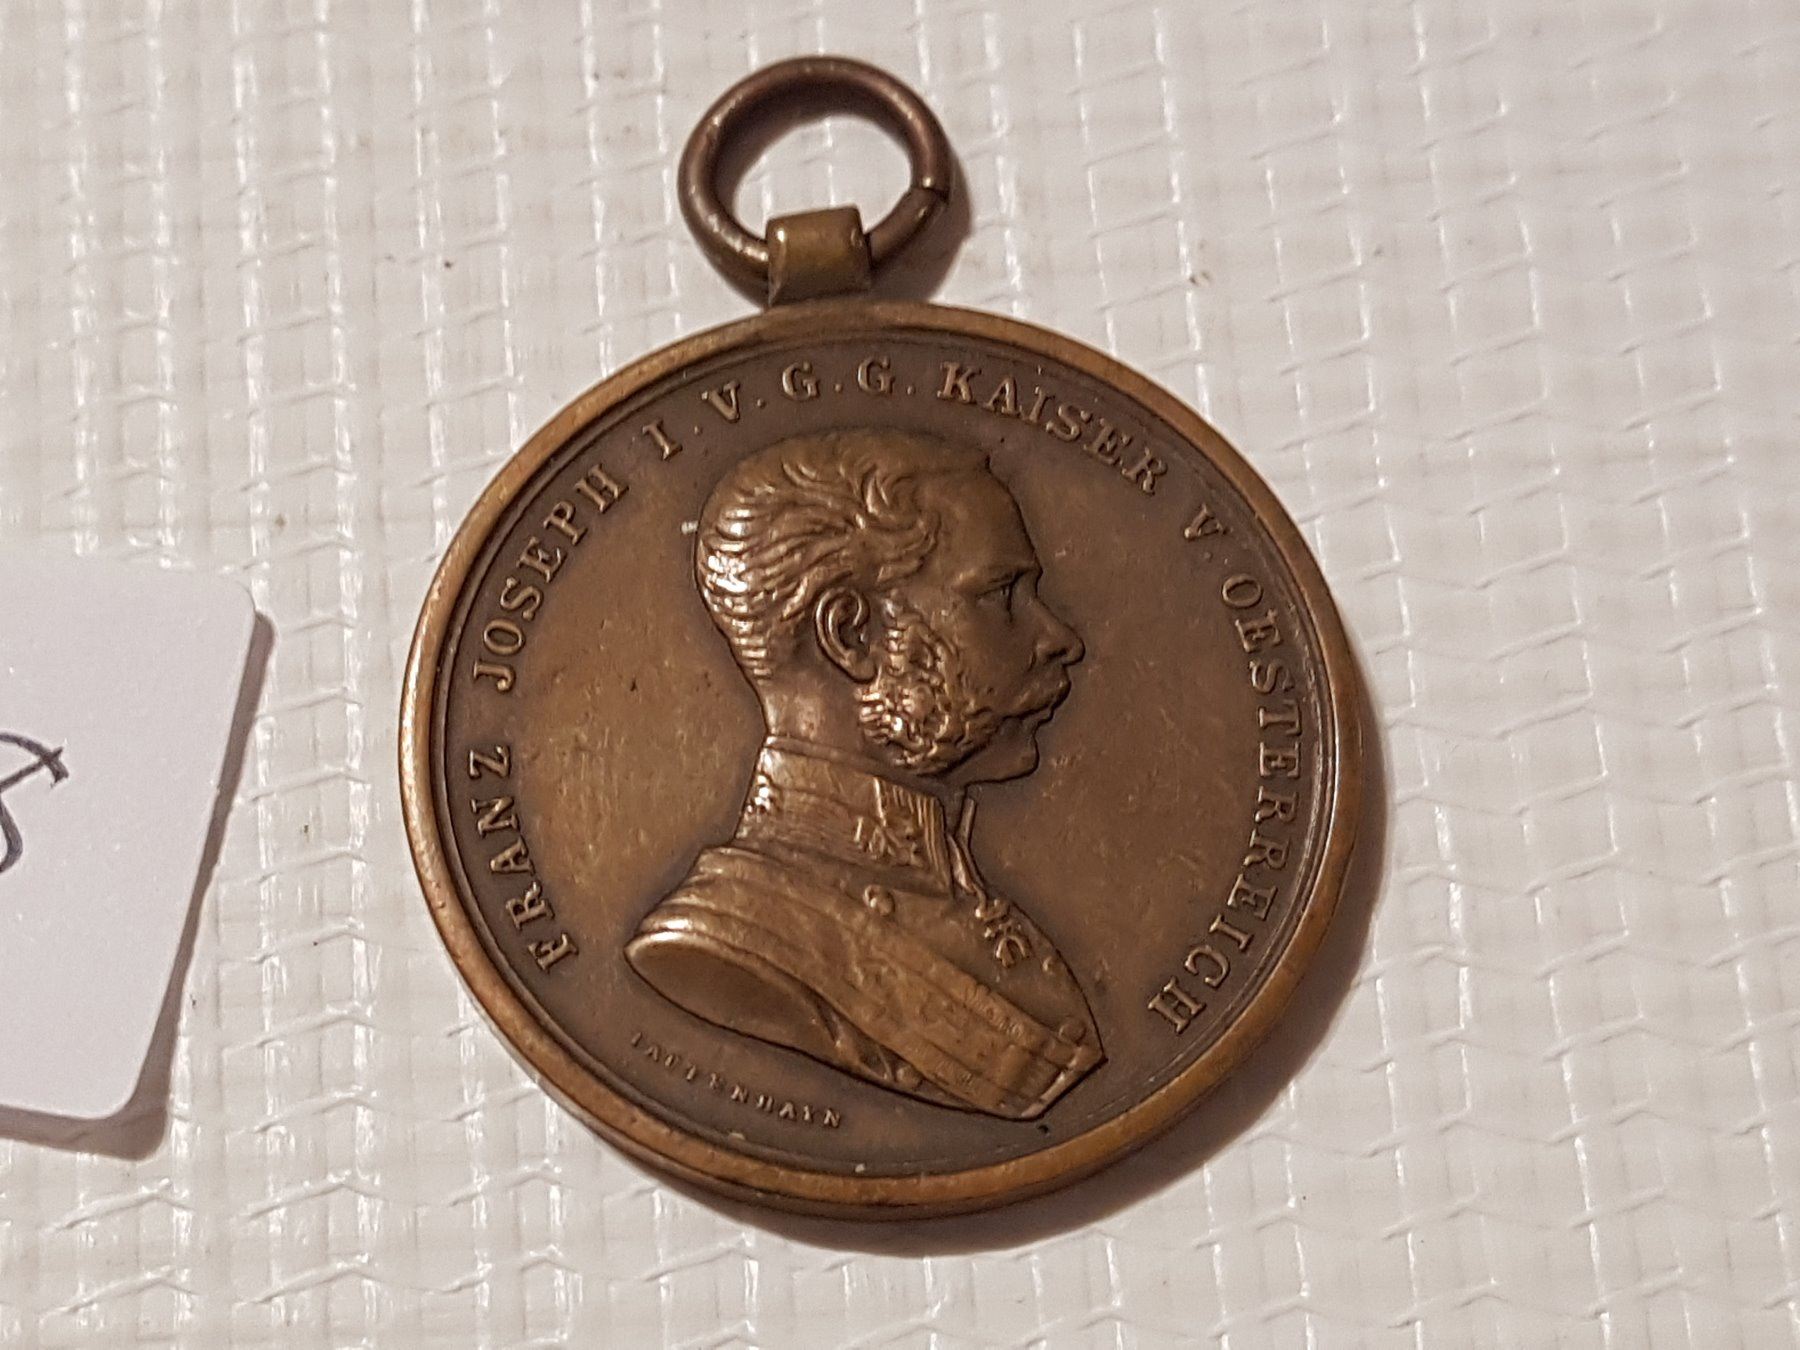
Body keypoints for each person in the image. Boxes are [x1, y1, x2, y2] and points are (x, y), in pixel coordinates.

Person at [627, 427, 1102, 1119]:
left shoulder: (956, 887)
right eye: (1000, 595)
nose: (1059, 637)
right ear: (852, 635)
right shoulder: (734, 941)